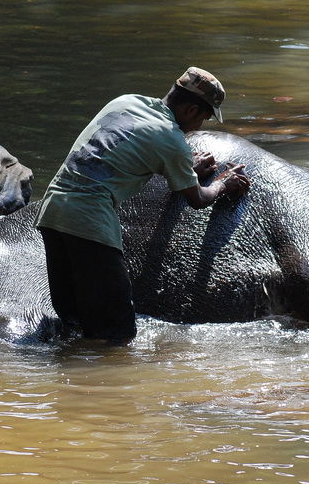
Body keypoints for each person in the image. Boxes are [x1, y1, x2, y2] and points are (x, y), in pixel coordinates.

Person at [34, 67, 251, 345]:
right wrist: (224, 182)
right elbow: (198, 200)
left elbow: (123, 156)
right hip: (90, 222)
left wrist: (184, 169)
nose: (198, 128)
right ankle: (106, 385)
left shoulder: (125, 101)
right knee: (118, 332)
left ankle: (67, 383)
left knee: (74, 321)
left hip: (52, 212)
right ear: (191, 112)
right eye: (204, 119)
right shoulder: (171, 139)